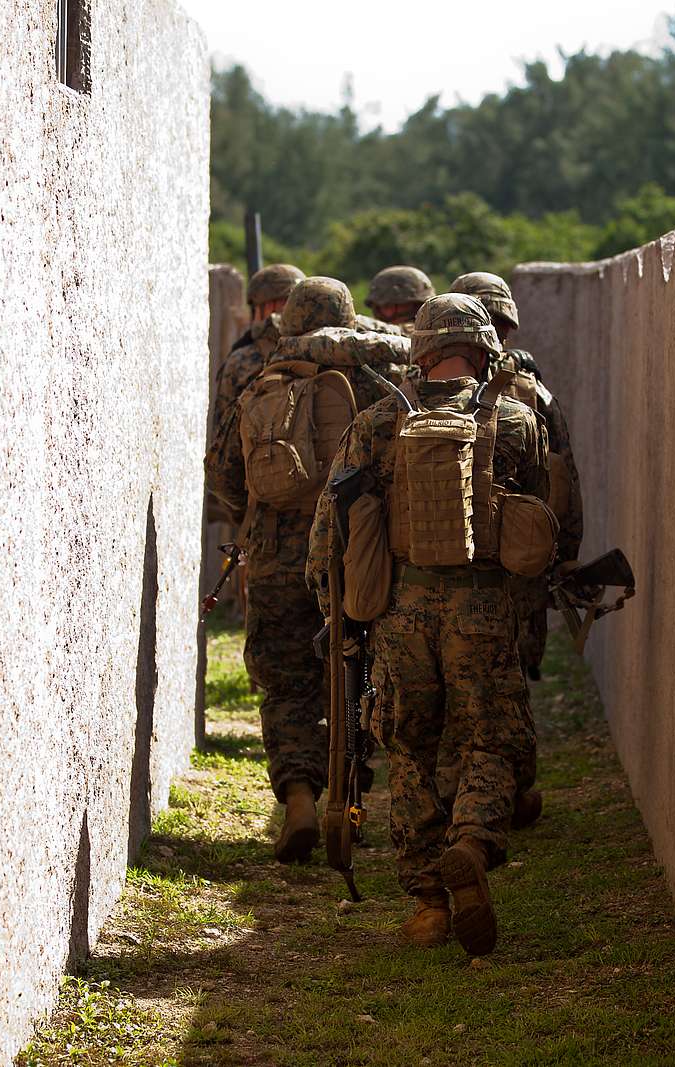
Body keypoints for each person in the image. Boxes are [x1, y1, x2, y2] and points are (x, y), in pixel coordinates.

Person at [307, 294, 547, 956]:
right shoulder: (520, 421)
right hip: (484, 609)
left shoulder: (378, 421)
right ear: (480, 345)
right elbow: (549, 527)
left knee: (410, 747)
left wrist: (340, 615)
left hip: (401, 612)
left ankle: (428, 903)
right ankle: (470, 842)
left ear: (422, 348)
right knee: (490, 741)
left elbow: (330, 532)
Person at [207, 276, 403, 864]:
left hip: (276, 556)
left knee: (286, 683)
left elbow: (224, 471)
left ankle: (296, 795)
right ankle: (347, 799)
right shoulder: (380, 379)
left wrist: (254, 516)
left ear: (287, 321)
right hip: (356, 559)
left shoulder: (266, 374)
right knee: (354, 677)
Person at [449, 272, 585, 681]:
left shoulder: (422, 386)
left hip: (452, 562)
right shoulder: (530, 393)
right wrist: (563, 558)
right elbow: (564, 479)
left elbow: (562, 476)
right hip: (511, 562)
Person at [205, 263, 306, 529]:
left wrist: (245, 521)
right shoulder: (331, 356)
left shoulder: (242, 360)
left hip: (265, 515)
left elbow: (223, 460)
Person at [365, 265, 435, 330]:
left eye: (398, 304)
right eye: (385, 306)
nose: (389, 311)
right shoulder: (370, 331)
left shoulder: (435, 331)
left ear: (418, 305)